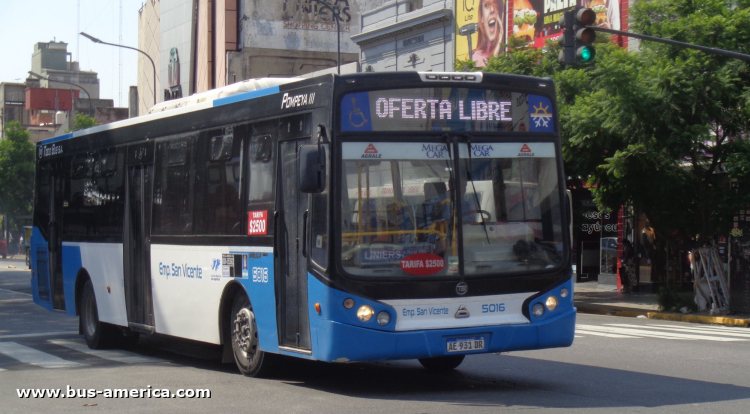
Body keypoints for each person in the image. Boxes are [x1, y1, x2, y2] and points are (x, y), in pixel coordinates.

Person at [472, 0, 505, 67]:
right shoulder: (477, 57)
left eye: (495, 4)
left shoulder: (510, 51)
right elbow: (490, 73)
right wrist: (497, 48)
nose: (492, 9)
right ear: (482, 18)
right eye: (487, 6)